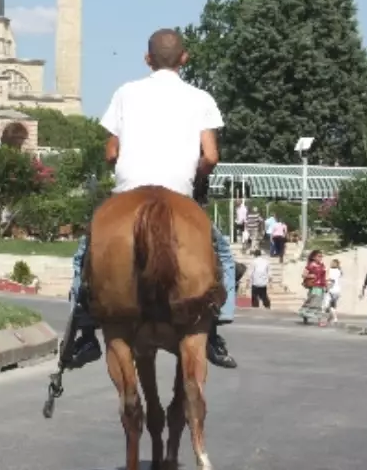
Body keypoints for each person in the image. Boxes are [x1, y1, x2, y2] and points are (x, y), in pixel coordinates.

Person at [67, 28, 239, 370]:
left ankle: (85, 334)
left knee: (84, 256)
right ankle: (216, 332)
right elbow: (212, 156)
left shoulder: (125, 92)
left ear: (147, 59)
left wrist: (125, 162)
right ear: (184, 59)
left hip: (129, 190)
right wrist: (196, 170)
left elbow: (110, 151)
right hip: (179, 193)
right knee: (223, 256)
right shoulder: (201, 98)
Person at [297, 250, 328, 326]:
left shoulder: (322, 265)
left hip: (321, 286)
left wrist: (326, 284)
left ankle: (320, 320)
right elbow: (304, 275)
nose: (320, 258)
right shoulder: (311, 265)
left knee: (319, 303)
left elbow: (324, 276)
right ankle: (306, 316)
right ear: (314, 257)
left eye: (321, 256)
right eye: (319, 256)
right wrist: (310, 276)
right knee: (313, 302)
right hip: (314, 286)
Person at [325, 259, 343, 325]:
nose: (331, 264)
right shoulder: (339, 271)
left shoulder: (329, 270)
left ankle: (335, 318)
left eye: (332, 263)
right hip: (337, 290)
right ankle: (330, 319)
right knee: (333, 305)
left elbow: (329, 280)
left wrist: (327, 288)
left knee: (327, 305)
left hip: (331, 290)